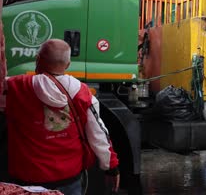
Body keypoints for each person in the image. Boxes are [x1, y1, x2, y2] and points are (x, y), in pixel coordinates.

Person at [0, 39, 120, 195]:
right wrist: (111, 167)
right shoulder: (81, 92)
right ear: (68, 64)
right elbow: (98, 134)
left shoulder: (16, 87)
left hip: (27, 180)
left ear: (38, 59)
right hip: (68, 179)